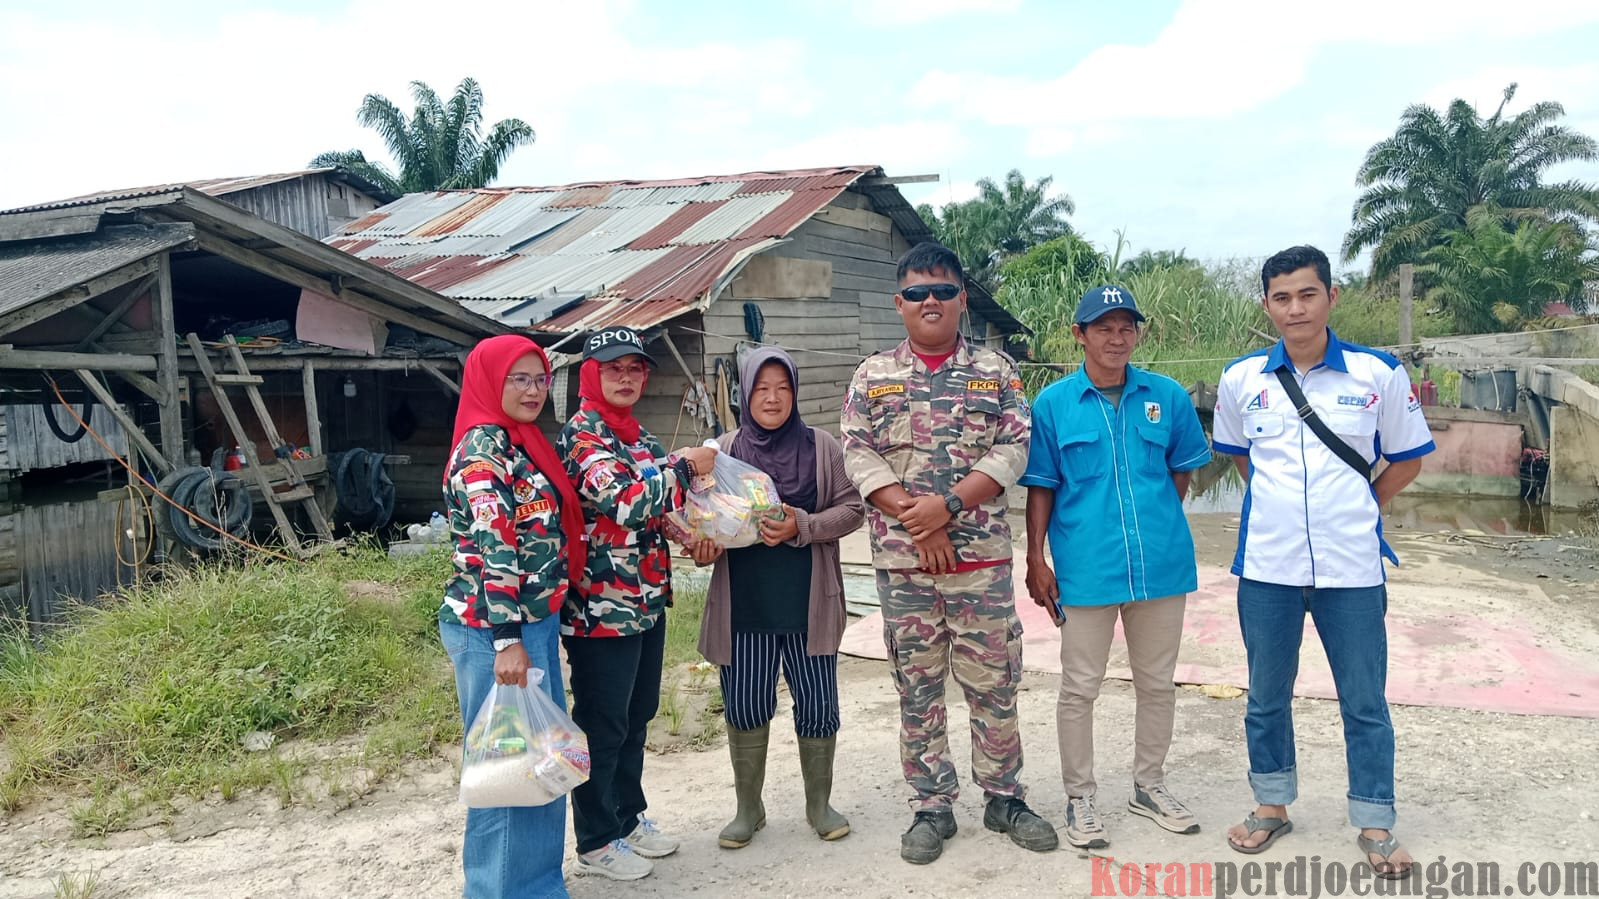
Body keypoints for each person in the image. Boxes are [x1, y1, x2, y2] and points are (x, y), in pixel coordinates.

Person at [1213, 246, 1434, 878]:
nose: (1295, 308)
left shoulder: (1378, 373)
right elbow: (1239, 457)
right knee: (1265, 695)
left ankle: (1375, 821)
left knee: (1364, 699)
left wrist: (1363, 500)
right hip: (1267, 569)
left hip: (1353, 570)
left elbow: (1409, 457)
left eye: (1307, 294)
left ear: (1331, 297)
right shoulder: (1241, 380)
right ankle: (1271, 806)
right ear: (1267, 306)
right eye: (1281, 298)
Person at [840, 241, 1057, 865]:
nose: (929, 302)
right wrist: (921, 521)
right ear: (898, 303)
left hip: (980, 561)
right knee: (917, 683)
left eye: (941, 291)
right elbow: (858, 453)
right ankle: (932, 806)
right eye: (916, 293)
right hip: (904, 562)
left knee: (994, 682)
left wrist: (950, 508)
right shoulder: (871, 375)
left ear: (962, 299)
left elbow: (1014, 449)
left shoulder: (997, 370)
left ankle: (1004, 796)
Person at [1019, 285, 1212, 851]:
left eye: (1127, 327)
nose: (1116, 337)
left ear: (1138, 334)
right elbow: (1041, 487)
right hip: (1086, 568)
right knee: (1080, 687)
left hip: (1160, 567)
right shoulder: (1052, 405)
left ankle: (1149, 786)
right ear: (1079, 334)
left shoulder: (1167, 396)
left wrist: (1152, 524)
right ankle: (1080, 797)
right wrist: (1036, 556)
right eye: (1103, 327)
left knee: (1157, 684)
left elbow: (1181, 471)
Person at [558, 326, 719, 881]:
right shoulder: (584, 438)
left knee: (637, 716)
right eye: (613, 369)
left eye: (635, 369)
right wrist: (689, 465)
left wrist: (699, 535)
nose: (626, 378)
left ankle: (628, 818)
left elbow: (660, 513)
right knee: (603, 724)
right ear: (591, 375)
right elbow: (628, 501)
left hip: (646, 601)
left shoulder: (637, 439)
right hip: (599, 607)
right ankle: (596, 840)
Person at [690, 347, 866, 850]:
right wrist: (702, 546)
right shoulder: (721, 451)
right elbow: (700, 521)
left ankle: (819, 804)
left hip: (808, 603)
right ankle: (749, 808)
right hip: (744, 607)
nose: (772, 398)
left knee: (817, 705)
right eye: (761, 389)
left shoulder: (822, 447)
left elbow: (853, 510)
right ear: (745, 394)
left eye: (782, 388)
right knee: (744, 707)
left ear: (795, 391)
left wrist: (803, 525)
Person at [438, 334, 587, 899]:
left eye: (540, 378)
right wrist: (507, 640)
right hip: (494, 630)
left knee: (542, 760)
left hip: (533, 624)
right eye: (518, 379)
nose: (532, 390)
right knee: (506, 772)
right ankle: (500, 890)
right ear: (488, 381)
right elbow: (493, 547)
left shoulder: (519, 441)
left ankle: (540, 885)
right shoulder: (483, 451)